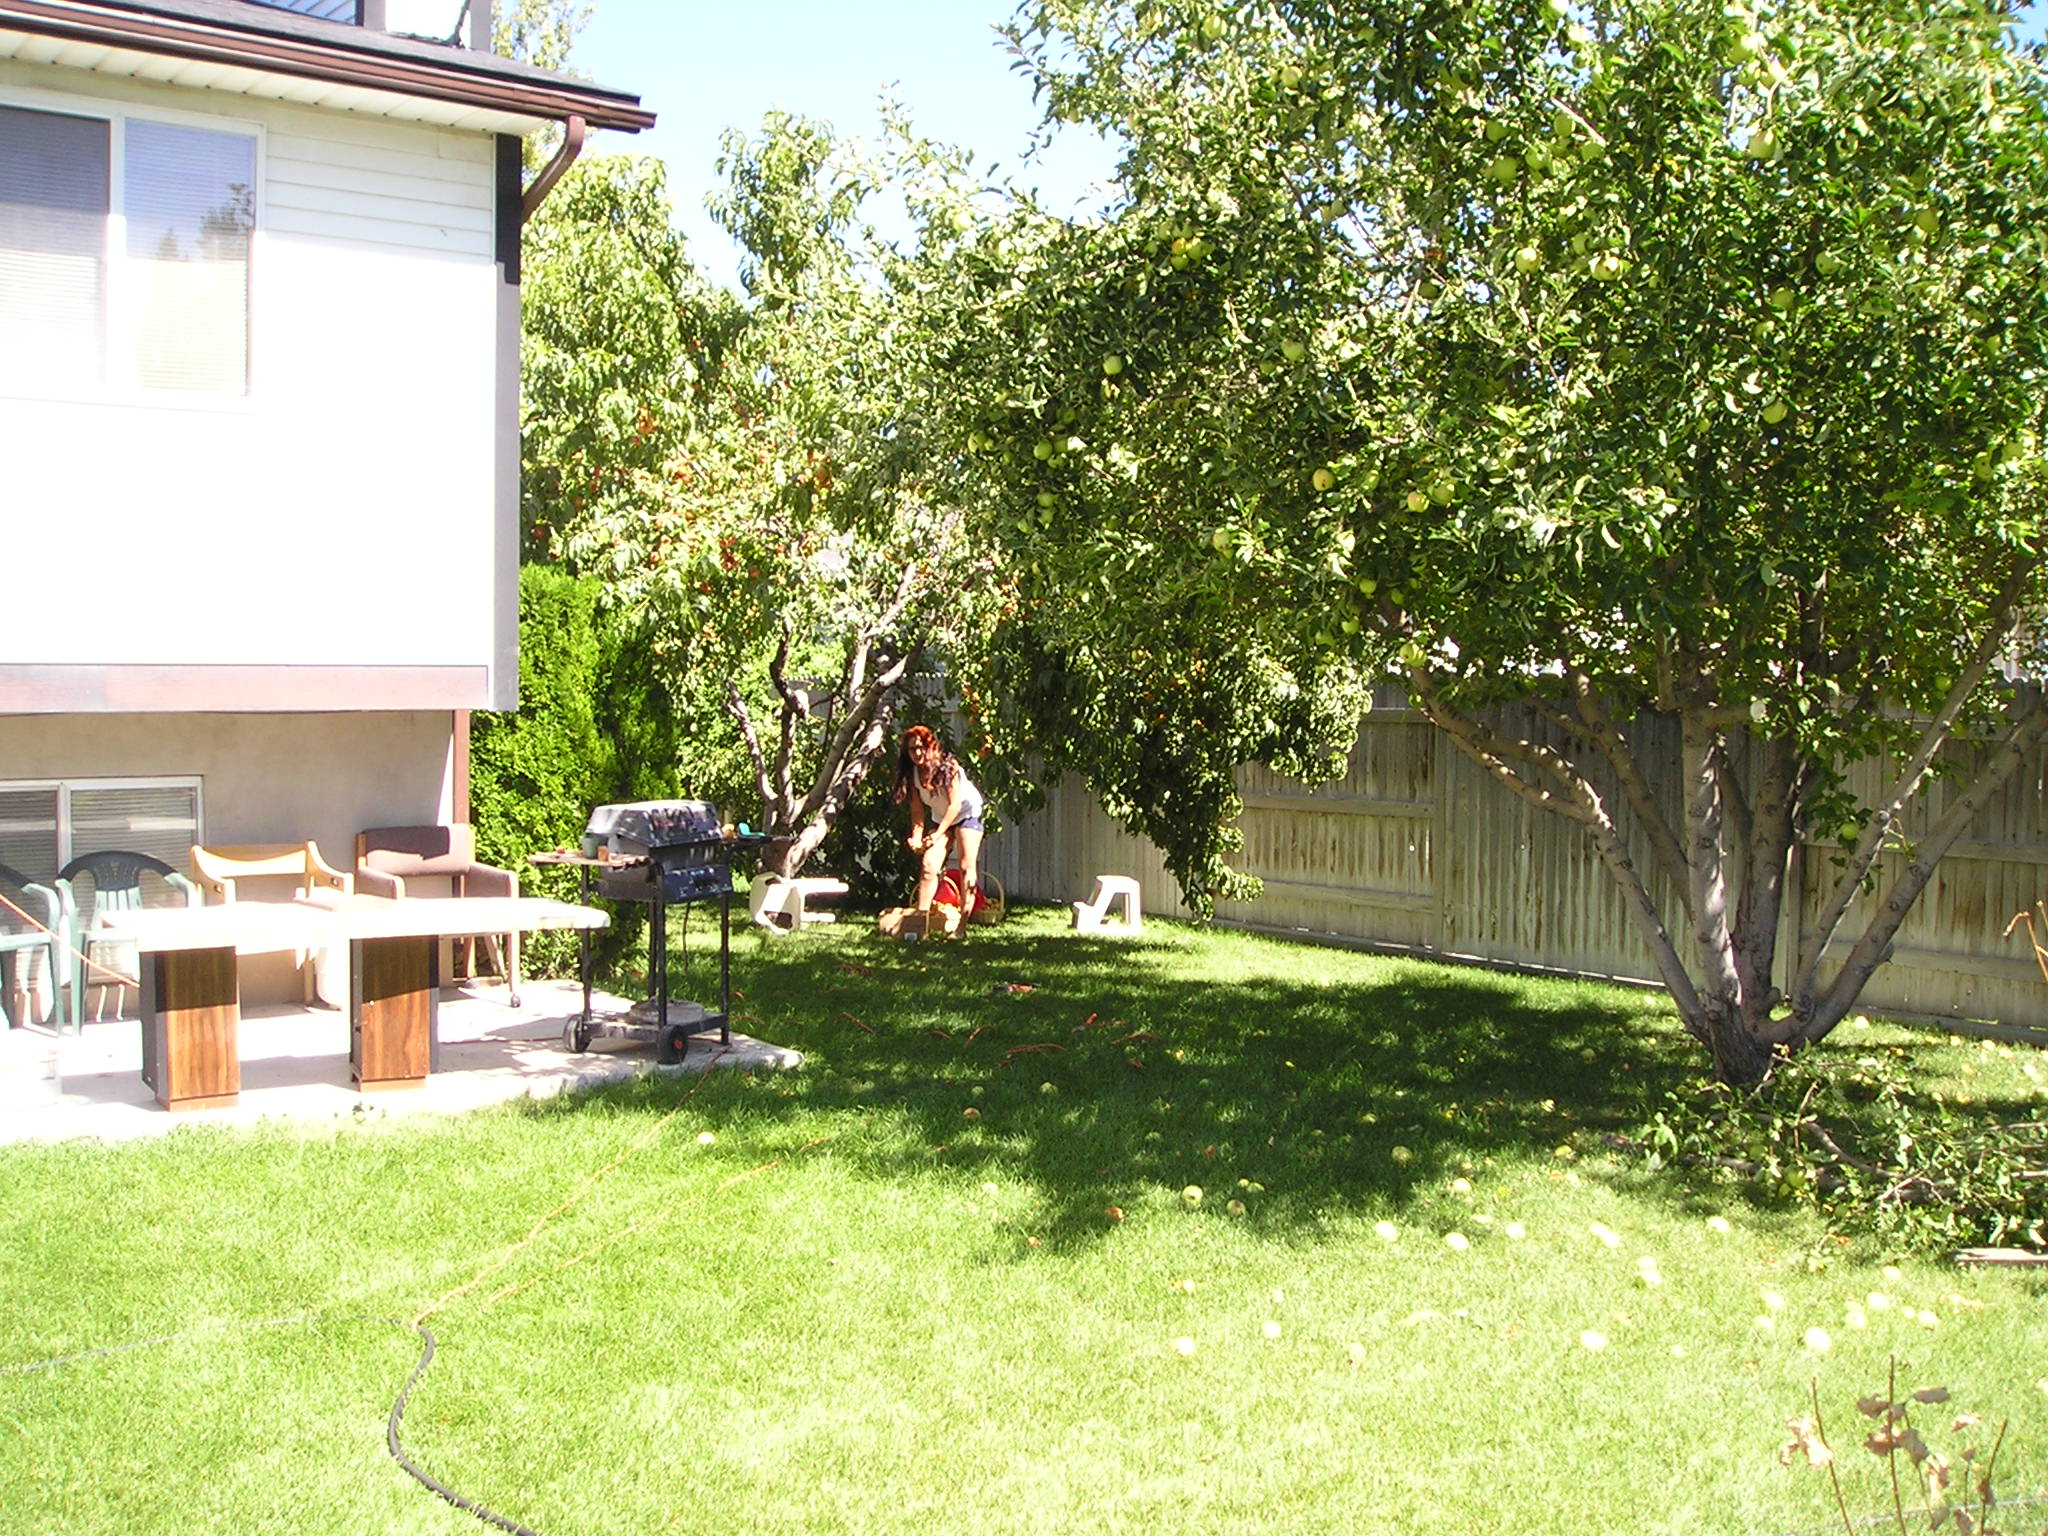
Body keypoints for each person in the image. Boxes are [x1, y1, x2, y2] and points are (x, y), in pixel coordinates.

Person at [893, 724, 985, 916]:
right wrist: (916, 837)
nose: (917, 753)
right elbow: (917, 811)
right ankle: (921, 921)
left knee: (965, 867)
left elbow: (955, 805)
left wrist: (936, 835)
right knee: (928, 866)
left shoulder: (948, 767)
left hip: (966, 813)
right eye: (912, 749)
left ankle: (962, 925)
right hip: (942, 817)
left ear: (930, 746)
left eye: (921, 747)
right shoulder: (913, 774)